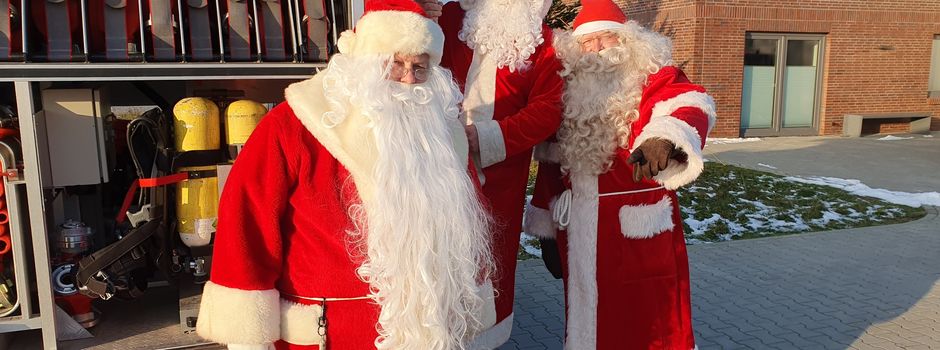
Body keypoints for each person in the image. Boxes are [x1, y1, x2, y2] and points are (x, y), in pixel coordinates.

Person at [195, 1, 496, 349]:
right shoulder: (294, 125)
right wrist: (247, 339)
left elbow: (465, 235)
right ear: (365, 60)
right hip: (328, 337)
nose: (409, 78)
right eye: (395, 63)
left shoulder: (445, 137)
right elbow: (246, 228)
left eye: (420, 67)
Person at [524, 0, 717, 349]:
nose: (596, 49)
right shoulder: (568, 92)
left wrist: (665, 137)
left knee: (650, 324)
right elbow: (552, 166)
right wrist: (547, 232)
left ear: (627, 41)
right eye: (587, 42)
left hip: (639, 230)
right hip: (578, 229)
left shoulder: (650, 75)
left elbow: (688, 102)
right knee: (588, 321)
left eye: (606, 39)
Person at [414, 1, 564, 346]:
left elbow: (547, 110)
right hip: (434, 168)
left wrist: (487, 136)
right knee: (429, 263)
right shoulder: (449, 18)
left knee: (489, 269)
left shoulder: (544, 44)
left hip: (499, 183)